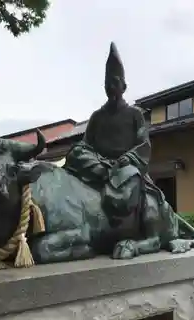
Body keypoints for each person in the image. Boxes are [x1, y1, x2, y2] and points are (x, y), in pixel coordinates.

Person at [64, 42, 164, 227]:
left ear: (123, 86)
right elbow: (85, 144)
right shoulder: (97, 116)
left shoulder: (136, 114)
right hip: (100, 164)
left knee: (127, 186)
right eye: (107, 84)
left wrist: (128, 157)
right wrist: (81, 152)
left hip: (125, 165)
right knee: (74, 152)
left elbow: (144, 144)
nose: (111, 87)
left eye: (115, 83)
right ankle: (105, 173)